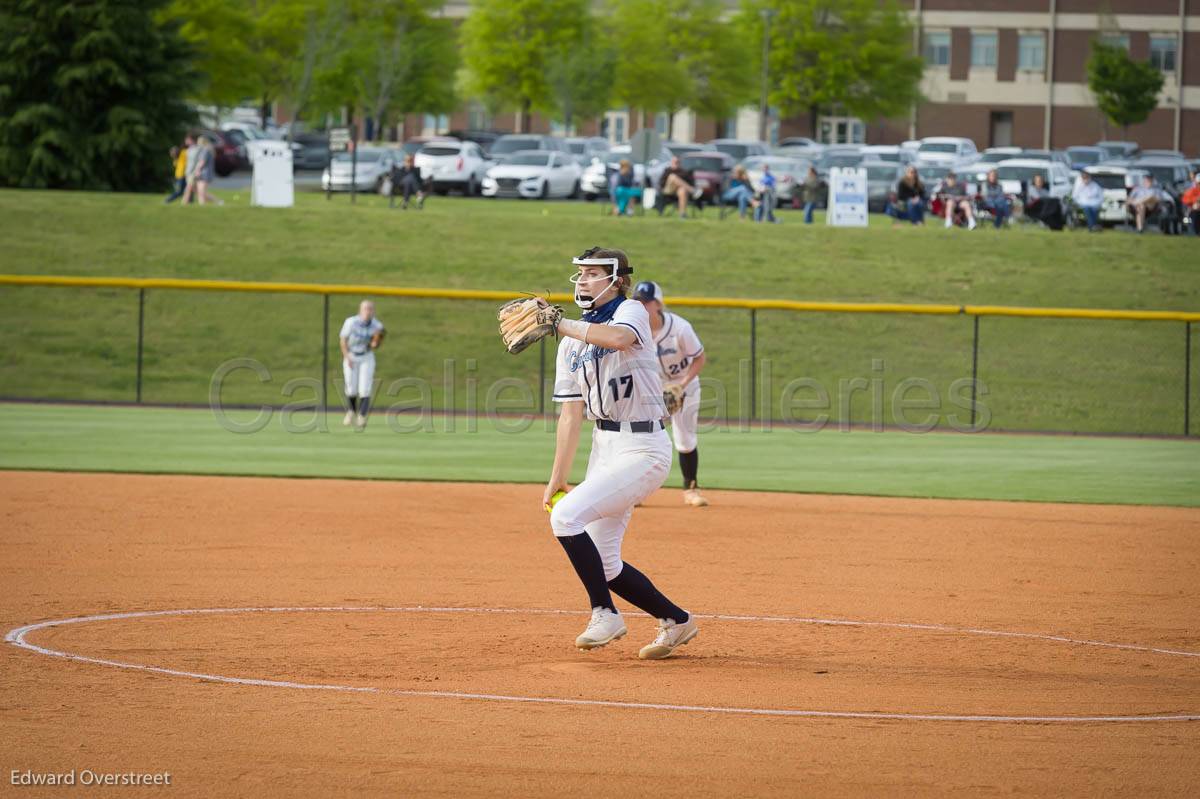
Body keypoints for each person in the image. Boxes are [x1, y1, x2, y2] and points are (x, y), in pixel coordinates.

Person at [543, 246, 698, 659]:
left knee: (565, 517)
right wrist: (557, 475)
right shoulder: (569, 345)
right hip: (605, 447)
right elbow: (570, 415)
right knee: (605, 562)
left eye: (593, 273)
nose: (583, 280)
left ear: (616, 279)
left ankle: (604, 613)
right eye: (580, 273)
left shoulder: (630, 312)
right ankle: (677, 620)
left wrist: (560, 324)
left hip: (644, 447)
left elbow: (617, 339)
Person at [633, 281, 708, 507]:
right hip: (654, 389)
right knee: (644, 439)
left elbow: (699, 358)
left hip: (686, 385)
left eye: (646, 302)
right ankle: (635, 493)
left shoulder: (680, 328)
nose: (642, 307)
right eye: (638, 302)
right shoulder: (635, 330)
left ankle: (691, 489)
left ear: (658, 304)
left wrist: (681, 385)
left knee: (684, 439)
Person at [339, 300, 385, 430]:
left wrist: (376, 343)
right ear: (360, 310)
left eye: (370, 309)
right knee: (351, 387)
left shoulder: (377, 325)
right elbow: (343, 340)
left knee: (365, 388)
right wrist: (347, 356)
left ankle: (362, 416)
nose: (368, 311)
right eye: (365, 309)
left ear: (373, 311)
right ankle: (351, 412)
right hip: (351, 355)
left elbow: (376, 342)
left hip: (366, 357)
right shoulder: (351, 322)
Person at [179, 132, 200, 205]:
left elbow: (198, 161)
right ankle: (218, 201)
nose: (186, 141)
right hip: (188, 173)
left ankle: (183, 204)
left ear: (192, 140)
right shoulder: (188, 149)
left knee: (187, 189)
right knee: (197, 191)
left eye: (187, 139)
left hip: (193, 173)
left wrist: (197, 171)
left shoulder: (197, 149)